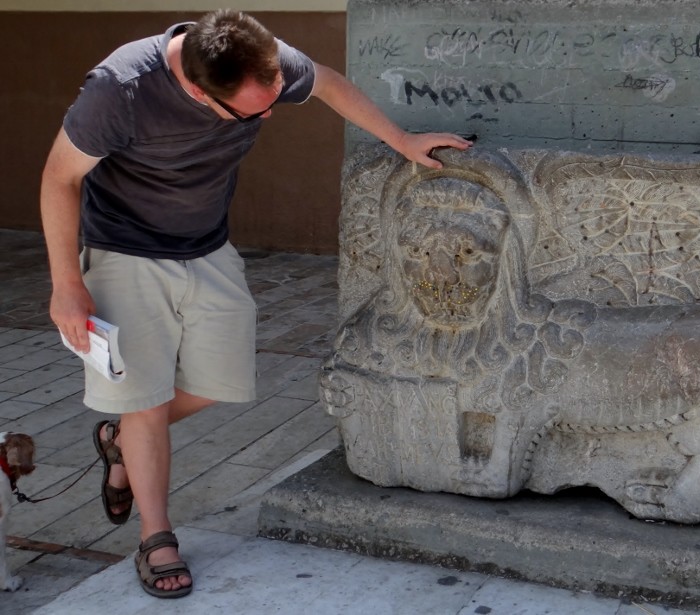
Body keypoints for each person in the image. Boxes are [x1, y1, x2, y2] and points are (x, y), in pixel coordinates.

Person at [39, 9, 471, 599]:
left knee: (221, 383)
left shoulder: (257, 58)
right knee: (146, 398)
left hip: (207, 245)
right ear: (198, 91)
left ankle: (122, 440)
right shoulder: (120, 89)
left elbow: (325, 82)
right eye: (251, 113)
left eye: (272, 100)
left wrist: (400, 139)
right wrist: (67, 284)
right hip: (125, 250)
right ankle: (155, 536)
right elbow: (59, 178)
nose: (268, 114)